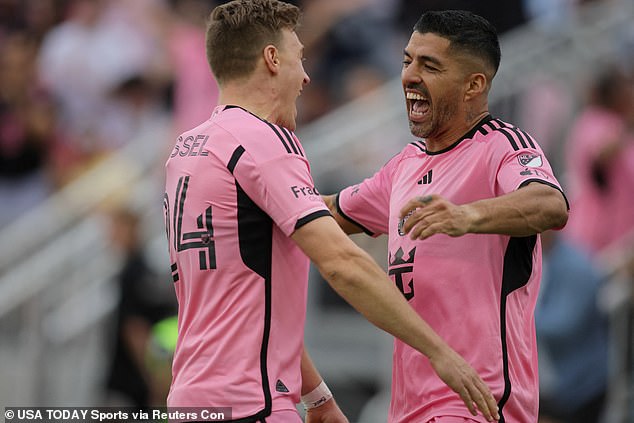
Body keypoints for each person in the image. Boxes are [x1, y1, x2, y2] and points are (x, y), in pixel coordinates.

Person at [163, 1, 499, 422]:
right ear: (271, 60)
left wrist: (317, 396)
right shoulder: (264, 140)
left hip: (189, 401)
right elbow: (342, 263)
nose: (305, 76)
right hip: (253, 403)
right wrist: (439, 352)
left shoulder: (187, 151)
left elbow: (254, 302)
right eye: (298, 58)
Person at [323, 10, 569, 423]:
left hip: (478, 401)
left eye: (429, 65)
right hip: (409, 405)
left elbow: (549, 204)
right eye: (407, 61)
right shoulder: (404, 166)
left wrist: (468, 215)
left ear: (474, 85)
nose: (409, 77)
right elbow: (325, 214)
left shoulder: (503, 145)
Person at [535, 230, 609, 423]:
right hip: (549, 388)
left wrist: (513, 316)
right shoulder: (538, 258)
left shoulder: (577, 265)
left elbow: (562, 325)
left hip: (579, 390)